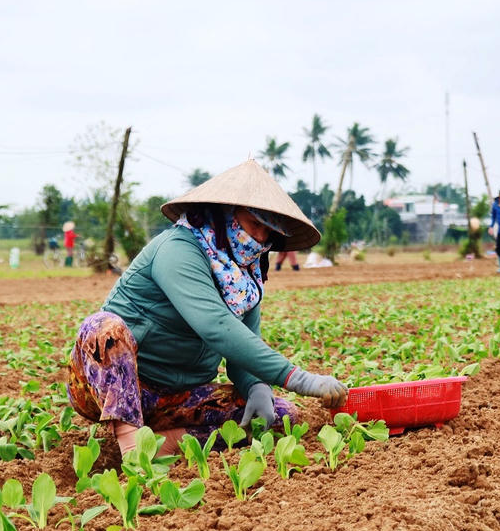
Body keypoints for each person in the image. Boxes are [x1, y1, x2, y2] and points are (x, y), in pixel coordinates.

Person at [65, 159, 349, 455]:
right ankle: (132, 445)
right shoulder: (177, 250)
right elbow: (216, 327)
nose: (260, 238)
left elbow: (242, 345)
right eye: (255, 225)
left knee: (279, 417)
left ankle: (166, 444)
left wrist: (256, 386)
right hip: (113, 388)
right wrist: (299, 378)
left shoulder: (244, 277)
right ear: (226, 214)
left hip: (178, 398)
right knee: (103, 328)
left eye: (269, 233)